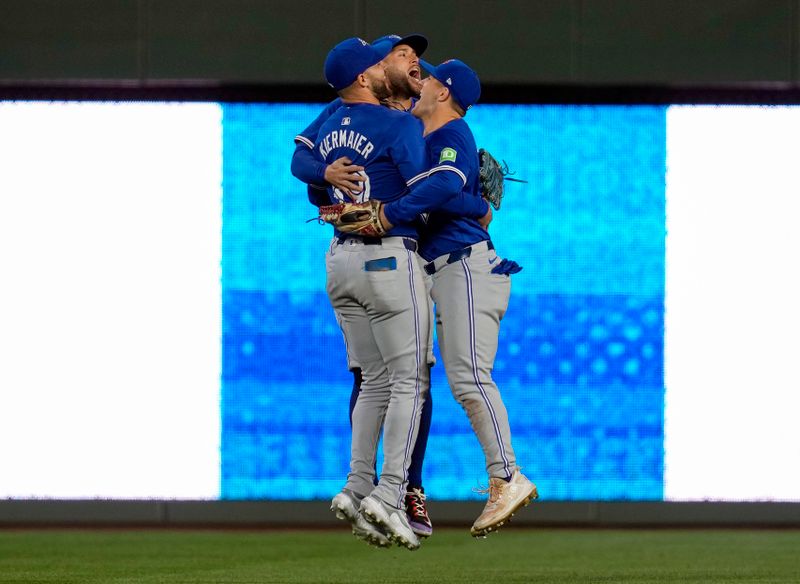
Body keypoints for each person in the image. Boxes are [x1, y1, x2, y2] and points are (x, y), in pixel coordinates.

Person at [377, 58, 539, 537]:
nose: (419, 81)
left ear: (443, 91)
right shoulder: (426, 138)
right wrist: (478, 202)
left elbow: (446, 189)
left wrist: (474, 203)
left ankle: (507, 477)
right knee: (447, 380)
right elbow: (449, 193)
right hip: (447, 269)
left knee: (470, 378)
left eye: (427, 77)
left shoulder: (453, 135)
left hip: (465, 265)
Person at [290, 33, 434, 538]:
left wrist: (326, 170)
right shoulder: (397, 123)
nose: (382, 65)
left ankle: (354, 487)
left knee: (372, 380)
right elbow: (423, 190)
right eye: (376, 62)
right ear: (362, 76)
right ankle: (392, 491)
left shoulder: (331, 121)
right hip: (388, 259)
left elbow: (298, 163)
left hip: (338, 262)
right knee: (408, 381)